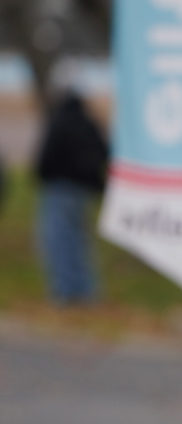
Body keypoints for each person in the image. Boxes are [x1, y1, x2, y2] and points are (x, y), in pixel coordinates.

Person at [34, 88, 109, 303]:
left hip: (59, 189)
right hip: (83, 191)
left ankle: (66, 291)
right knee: (79, 241)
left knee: (58, 240)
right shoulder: (89, 124)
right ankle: (87, 290)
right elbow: (104, 152)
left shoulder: (59, 123)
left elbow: (46, 158)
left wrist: (43, 176)